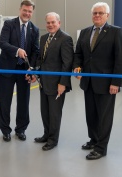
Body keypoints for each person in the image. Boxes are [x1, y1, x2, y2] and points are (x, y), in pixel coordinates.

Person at [73, 2, 122, 160]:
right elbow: (79, 54)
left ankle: (101, 148)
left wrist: (116, 82)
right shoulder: (84, 32)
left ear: (107, 15)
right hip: (88, 82)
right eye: (95, 13)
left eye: (100, 13)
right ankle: (94, 140)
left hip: (106, 84)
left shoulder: (116, 32)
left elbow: (121, 59)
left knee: (104, 117)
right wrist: (77, 66)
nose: (97, 15)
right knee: (91, 114)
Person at [0, 0, 40, 142]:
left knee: (23, 101)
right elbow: (3, 43)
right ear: (20, 10)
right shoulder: (9, 24)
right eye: (25, 10)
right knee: (4, 101)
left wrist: (32, 69)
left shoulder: (34, 29)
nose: (27, 13)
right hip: (7, 69)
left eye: (30, 11)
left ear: (32, 12)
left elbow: (35, 51)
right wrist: (17, 50)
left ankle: (21, 129)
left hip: (24, 71)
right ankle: (5, 130)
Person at [32, 12, 73, 151]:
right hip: (44, 82)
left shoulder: (65, 39)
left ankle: (53, 140)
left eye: (53, 22)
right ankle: (46, 134)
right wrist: (34, 72)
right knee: (45, 112)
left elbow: (67, 64)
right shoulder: (44, 38)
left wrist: (63, 83)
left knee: (54, 113)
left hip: (57, 84)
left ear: (59, 23)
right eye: (48, 23)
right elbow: (40, 59)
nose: (50, 25)